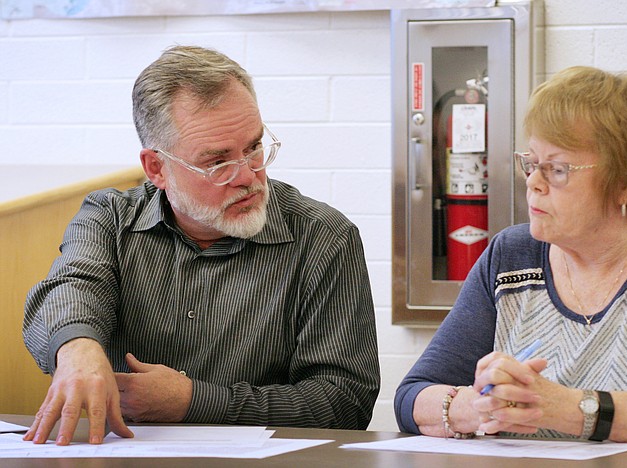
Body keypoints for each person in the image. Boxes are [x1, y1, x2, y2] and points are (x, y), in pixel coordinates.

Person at [23, 45, 380, 446]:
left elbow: (347, 403)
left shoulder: (323, 238)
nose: (248, 176)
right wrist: (76, 348)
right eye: (218, 162)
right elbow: (71, 288)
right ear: (157, 167)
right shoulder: (110, 217)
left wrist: (194, 401)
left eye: (254, 148)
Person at [394, 66, 627, 444]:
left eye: (557, 169)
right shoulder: (511, 255)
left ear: (626, 184)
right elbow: (412, 396)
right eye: (532, 163)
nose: (533, 182)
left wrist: (570, 409)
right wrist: (474, 406)